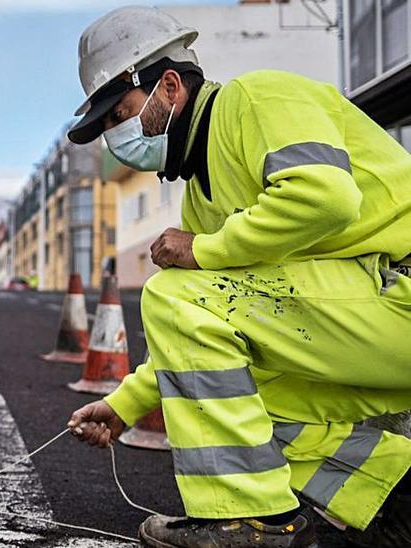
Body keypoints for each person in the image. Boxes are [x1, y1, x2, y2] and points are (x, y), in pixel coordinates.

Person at [63, 6, 411, 548]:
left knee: (176, 292)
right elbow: (204, 344)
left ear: (170, 86)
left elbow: (324, 196)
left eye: (119, 115)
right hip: (372, 323)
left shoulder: (260, 97)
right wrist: (124, 404)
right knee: (232, 403)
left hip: (399, 291)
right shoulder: (202, 191)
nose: (115, 136)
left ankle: (250, 523)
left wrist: (203, 250)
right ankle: (395, 493)